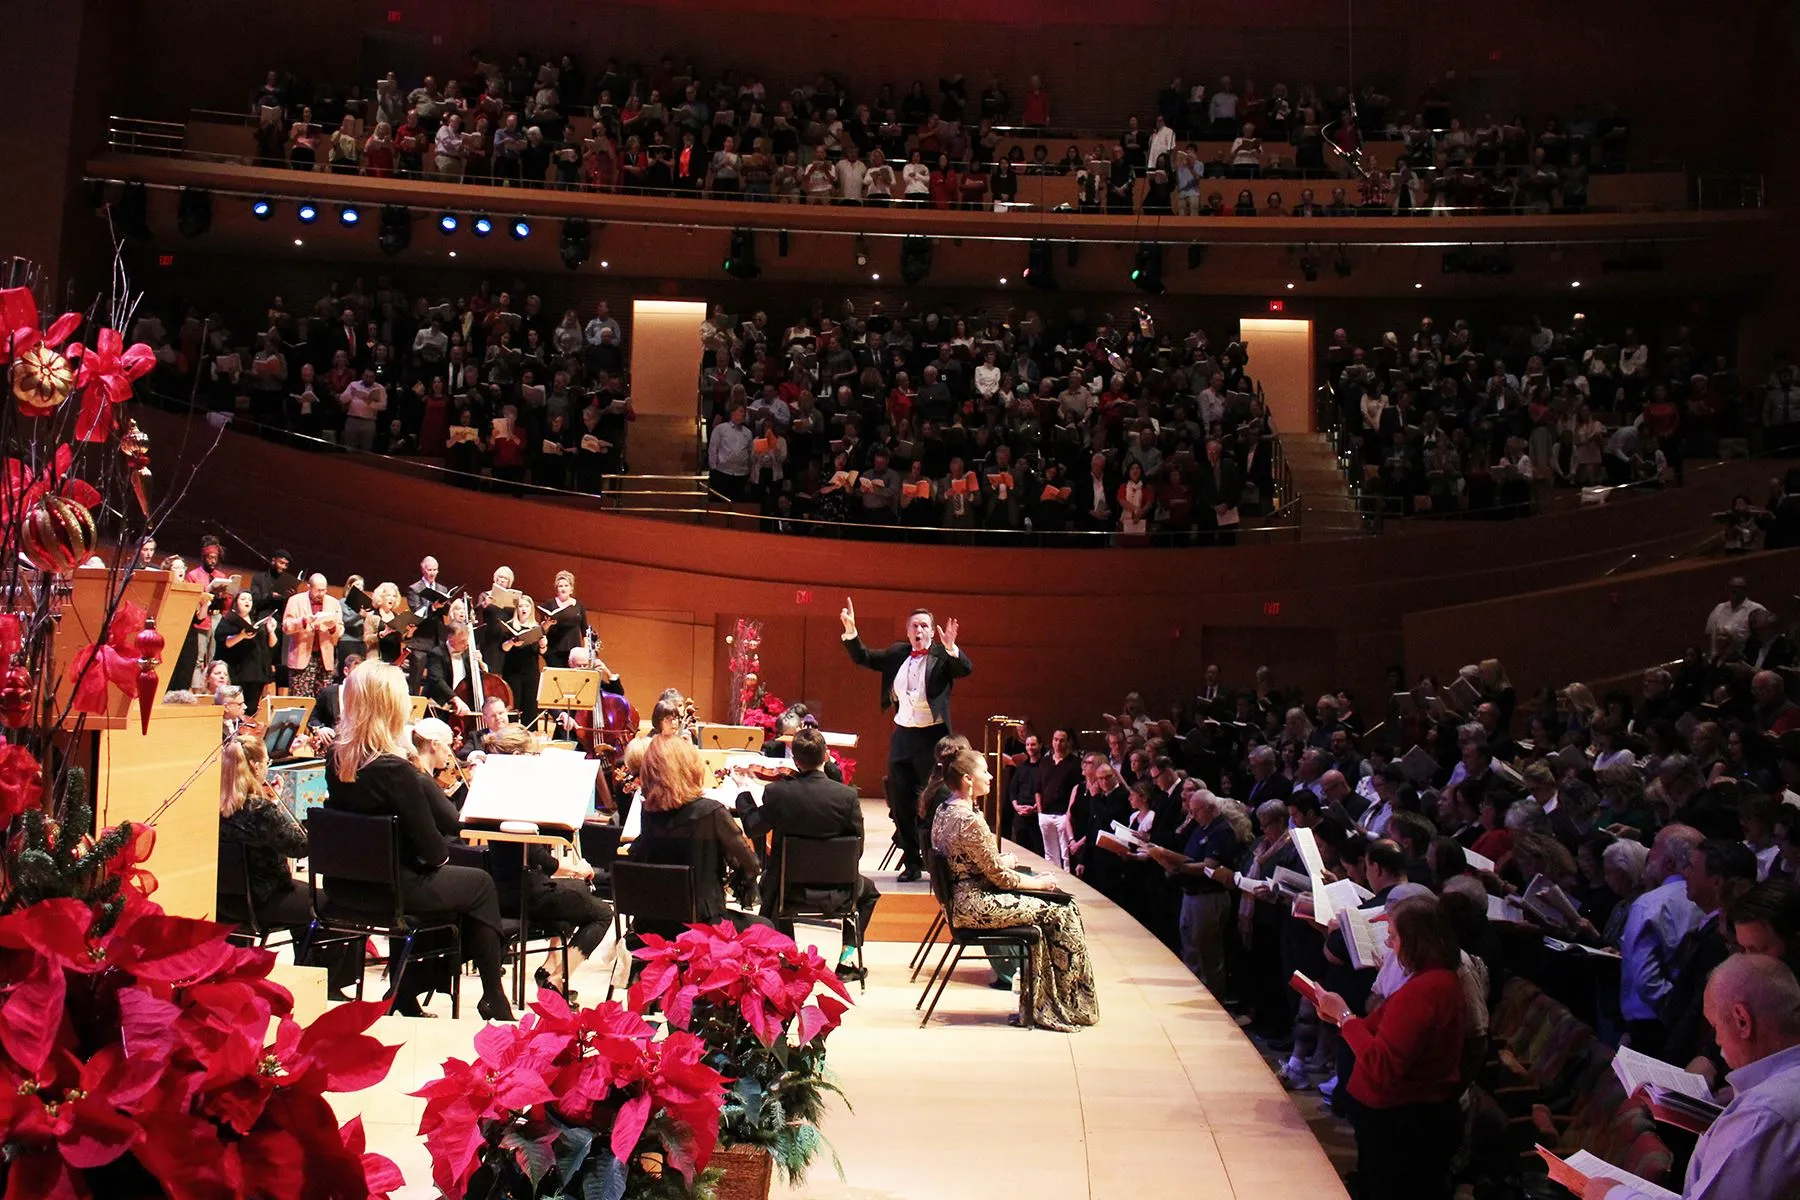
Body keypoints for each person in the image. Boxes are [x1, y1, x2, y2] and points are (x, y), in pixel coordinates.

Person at [322, 660, 514, 1021]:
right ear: (390, 708)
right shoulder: (398, 772)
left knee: (450, 888)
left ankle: (404, 992)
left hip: (345, 887)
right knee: (481, 884)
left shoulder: (336, 759)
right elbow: (435, 852)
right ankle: (493, 996)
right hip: (395, 891)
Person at [1585, 955, 1800, 1200]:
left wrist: (1612, 1194)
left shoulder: (1765, 1114)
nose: (1717, 1042)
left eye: (1715, 1027)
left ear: (1742, 1021)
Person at [931, 746, 1098, 1032]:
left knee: (1058, 906)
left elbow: (971, 862)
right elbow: (1002, 880)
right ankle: (1061, 1005)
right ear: (968, 779)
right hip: (975, 904)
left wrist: (1002, 862)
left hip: (962, 900)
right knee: (1062, 911)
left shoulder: (945, 809)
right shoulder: (970, 819)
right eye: (984, 770)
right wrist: (1040, 883)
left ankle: (1052, 1000)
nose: (991, 776)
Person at [1315, 895, 1468, 1200]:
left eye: (1394, 937)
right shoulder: (1437, 981)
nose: (1389, 945)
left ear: (1416, 941)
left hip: (1403, 1122)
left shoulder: (1424, 992)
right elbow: (1377, 1030)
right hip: (1409, 1116)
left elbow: (1382, 1065)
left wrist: (1345, 1018)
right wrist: (1341, 1017)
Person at [840, 596, 972, 882]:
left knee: (936, 802)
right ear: (908, 630)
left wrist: (951, 648)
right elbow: (864, 656)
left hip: (933, 739)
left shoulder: (942, 656)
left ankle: (941, 862)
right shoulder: (898, 653)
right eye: (915, 626)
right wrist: (851, 631)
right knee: (901, 801)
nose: (919, 630)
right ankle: (912, 861)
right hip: (902, 737)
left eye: (925, 626)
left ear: (932, 629)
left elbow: (965, 669)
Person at [744, 727, 880, 980]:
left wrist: (744, 795)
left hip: (786, 892)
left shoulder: (779, 793)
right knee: (869, 892)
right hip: (839, 894)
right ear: (826, 756)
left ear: (795, 761)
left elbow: (753, 826)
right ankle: (846, 961)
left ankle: (788, 961)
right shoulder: (847, 797)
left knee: (775, 880)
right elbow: (856, 850)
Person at [625, 733, 765, 938]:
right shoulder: (712, 812)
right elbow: (750, 864)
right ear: (689, 768)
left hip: (654, 925)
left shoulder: (648, 812)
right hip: (703, 925)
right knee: (767, 927)